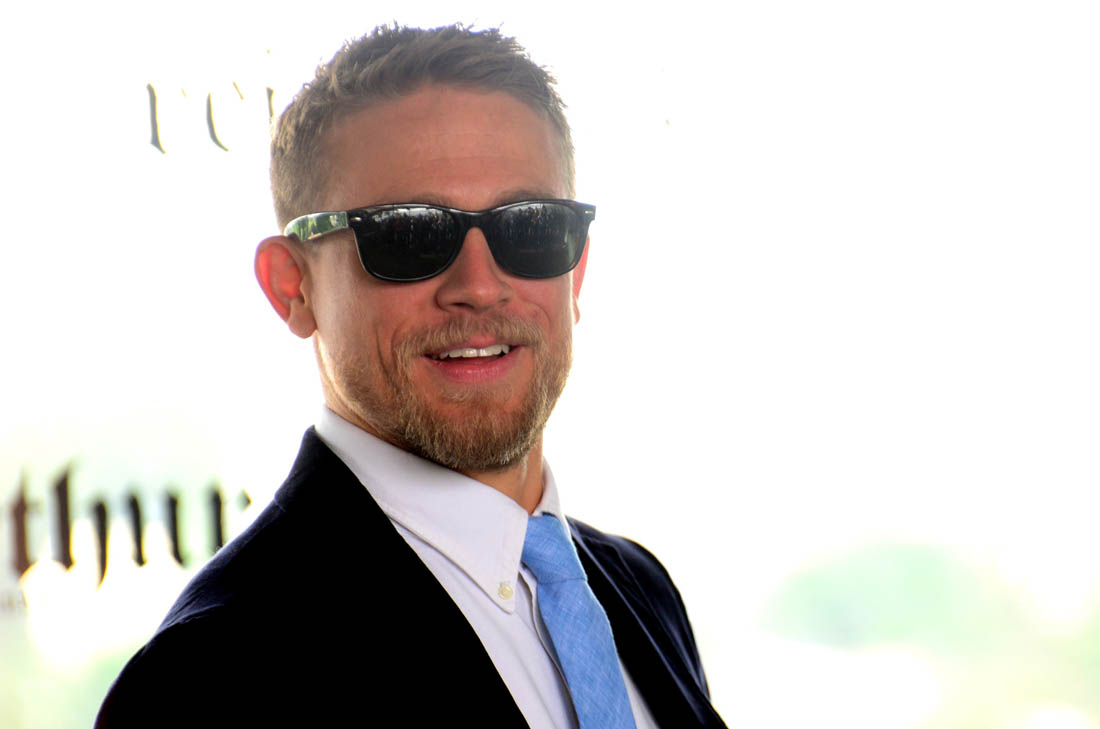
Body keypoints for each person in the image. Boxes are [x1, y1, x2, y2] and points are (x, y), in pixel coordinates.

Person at [96, 23, 726, 728]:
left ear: (575, 272)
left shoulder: (638, 589)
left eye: (528, 228)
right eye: (409, 235)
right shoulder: (207, 679)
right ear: (292, 287)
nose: (479, 286)